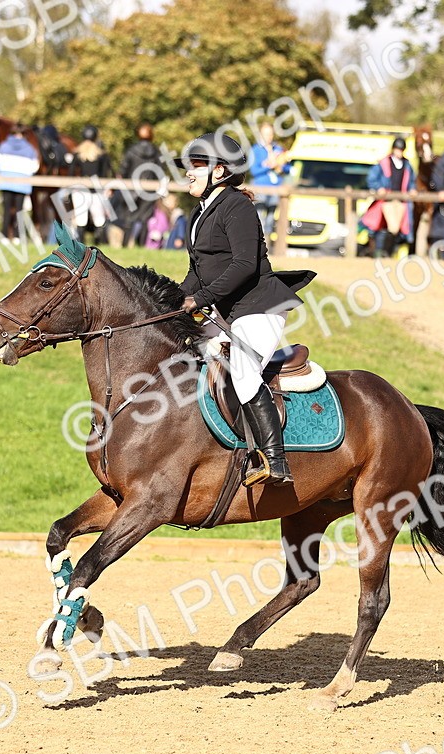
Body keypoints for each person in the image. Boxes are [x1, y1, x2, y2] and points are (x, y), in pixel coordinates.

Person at [175, 132, 316, 486]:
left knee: (244, 373)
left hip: (258, 306)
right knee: (178, 346)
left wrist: (200, 299)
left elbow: (244, 266)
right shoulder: (199, 212)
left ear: (219, 171)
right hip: (226, 309)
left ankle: (275, 460)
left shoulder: (238, 206)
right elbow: (196, 273)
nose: (188, 172)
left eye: (196, 165)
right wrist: (171, 301)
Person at [111, 123, 164, 247]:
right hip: (149, 190)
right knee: (145, 219)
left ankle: (125, 244)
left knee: (128, 218)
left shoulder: (131, 151)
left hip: (131, 188)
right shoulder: (156, 152)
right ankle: (141, 244)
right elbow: (160, 172)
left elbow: (123, 170)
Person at [361, 137, 415, 257]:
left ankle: (387, 252)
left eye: (401, 150)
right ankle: (382, 252)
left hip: (401, 201)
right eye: (397, 149)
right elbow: (372, 178)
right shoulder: (383, 163)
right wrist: (379, 187)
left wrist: (412, 189)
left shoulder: (407, 165)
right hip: (386, 200)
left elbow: (411, 181)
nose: (399, 152)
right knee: (391, 227)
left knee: (397, 229)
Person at [0, 125, 40, 241]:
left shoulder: (3, 146)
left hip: (5, 182)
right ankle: (17, 236)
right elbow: (34, 167)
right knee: (19, 210)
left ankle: (4, 236)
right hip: (22, 183)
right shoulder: (30, 148)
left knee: (6, 210)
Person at [248, 122, 290, 241]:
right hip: (260, 189)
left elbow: (288, 169)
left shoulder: (278, 149)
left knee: (271, 220)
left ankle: (267, 246)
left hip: (275, 189)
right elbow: (253, 171)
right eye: (266, 134)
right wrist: (269, 166)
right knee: (259, 218)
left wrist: (281, 166)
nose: (269, 137)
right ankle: (257, 245)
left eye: (271, 134)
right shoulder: (255, 150)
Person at [72, 124, 112, 242]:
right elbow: (105, 174)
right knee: (99, 220)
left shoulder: (77, 154)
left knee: (80, 220)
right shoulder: (102, 155)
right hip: (96, 192)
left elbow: (71, 173)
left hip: (80, 191)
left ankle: (80, 246)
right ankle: (99, 245)